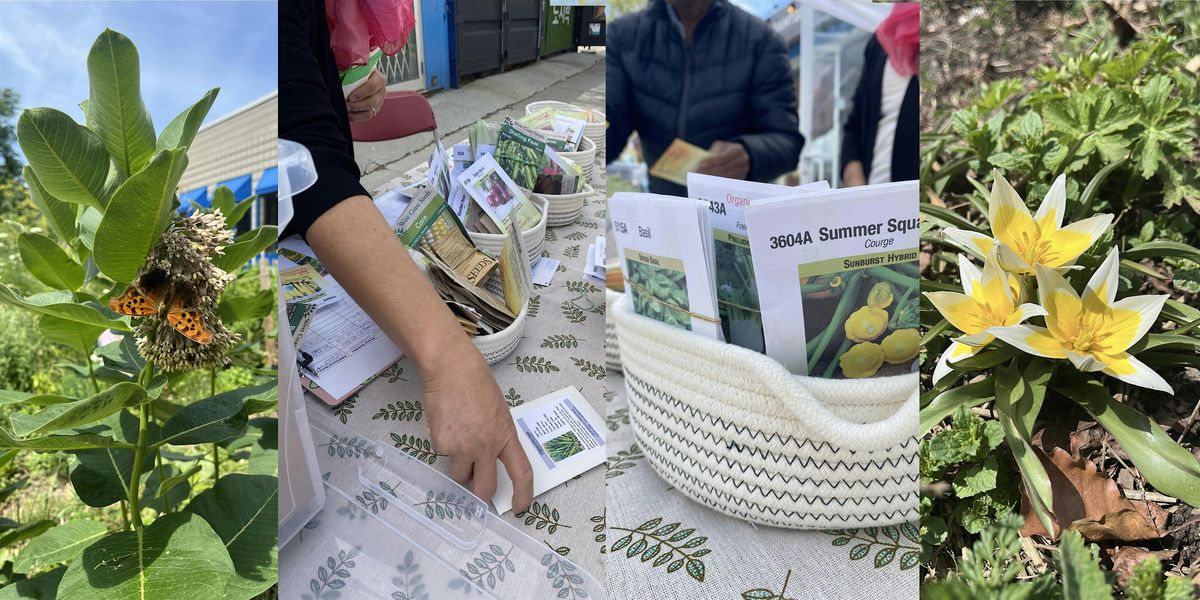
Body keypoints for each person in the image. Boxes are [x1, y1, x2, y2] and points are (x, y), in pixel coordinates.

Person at [279, 0, 534, 512]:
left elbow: (304, 104)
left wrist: (342, 82)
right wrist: (448, 357)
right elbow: (298, 149)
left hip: (307, 234)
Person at [606, 0, 805, 196]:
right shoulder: (624, 37)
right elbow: (610, 125)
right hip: (666, 210)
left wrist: (749, 154)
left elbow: (788, 142)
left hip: (734, 214)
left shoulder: (761, 41)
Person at [841, 3, 919, 186]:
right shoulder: (881, 39)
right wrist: (853, 173)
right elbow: (855, 120)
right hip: (876, 198)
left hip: (924, 204)